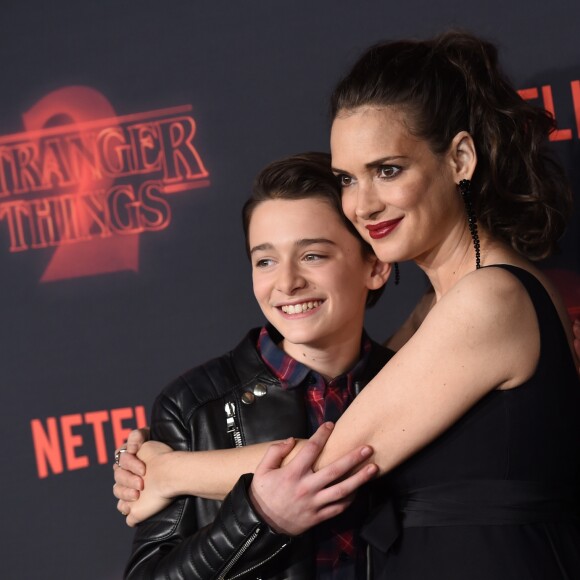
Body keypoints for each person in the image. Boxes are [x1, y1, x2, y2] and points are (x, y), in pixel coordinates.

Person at [115, 30, 580, 578]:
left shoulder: (489, 297)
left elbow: (328, 461)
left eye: (388, 170)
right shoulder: (446, 303)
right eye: (346, 179)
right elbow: (342, 423)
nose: (362, 204)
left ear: (459, 159)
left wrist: (167, 472)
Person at [119, 151, 400, 578]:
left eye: (313, 256)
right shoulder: (193, 405)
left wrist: (171, 472)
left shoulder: (414, 382)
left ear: (376, 265)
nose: (286, 282)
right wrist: (260, 519)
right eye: (265, 260)